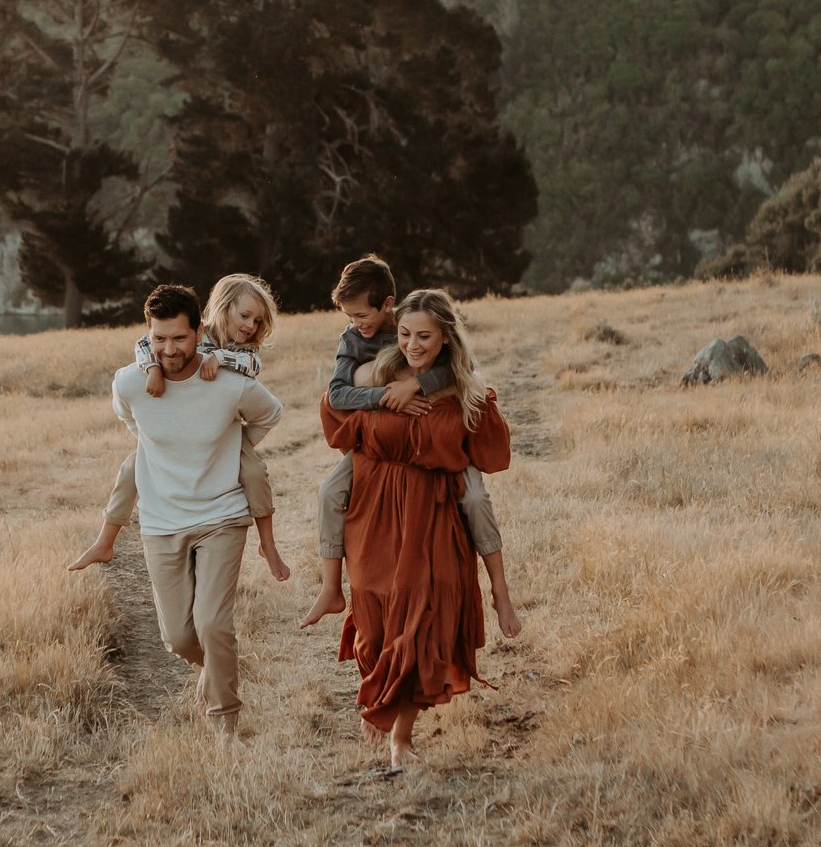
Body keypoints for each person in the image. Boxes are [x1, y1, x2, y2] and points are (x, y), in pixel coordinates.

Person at [321, 288, 513, 768]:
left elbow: (490, 452)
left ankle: (400, 735)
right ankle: (377, 694)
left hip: (433, 517)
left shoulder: (463, 390)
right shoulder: (378, 373)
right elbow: (334, 409)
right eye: (404, 333)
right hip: (376, 512)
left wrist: (439, 391)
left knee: (423, 622)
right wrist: (383, 397)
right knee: (374, 621)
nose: (411, 344)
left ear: (445, 337)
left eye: (424, 336)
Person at [297, 254, 521, 638]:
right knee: (330, 491)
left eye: (361, 317)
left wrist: (417, 384)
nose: (357, 326)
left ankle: (500, 589)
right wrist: (386, 396)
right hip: (388, 441)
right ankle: (331, 588)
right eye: (350, 318)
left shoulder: (416, 319)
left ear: (388, 306)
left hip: (442, 446)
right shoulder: (354, 339)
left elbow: (463, 372)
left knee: (475, 500)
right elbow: (337, 395)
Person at [104, 282, 284, 738]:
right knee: (180, 638)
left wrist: (233, 445)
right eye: (159, 339)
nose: (169, 348)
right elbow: (133, 421)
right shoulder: (132, 381)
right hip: (162, 520)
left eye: (179, 339)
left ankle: (226, 725)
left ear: (198, 331)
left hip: (222, 513)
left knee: (211, 622)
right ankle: (217, 663)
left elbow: (269, 413)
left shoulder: (229, 376)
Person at [68, 274, 289, 580]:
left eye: (258, 321)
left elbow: (254, 370)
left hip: (222, 435)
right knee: (132, 468)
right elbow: (145, 343)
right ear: (223, 308)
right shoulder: (192, 331)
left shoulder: (245, 350)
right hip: (176, 436)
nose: (251, 326)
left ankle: (268, 545)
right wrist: (153, 369)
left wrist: (236, 441)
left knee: (254, 473)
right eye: (245, 316)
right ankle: (105, 542)